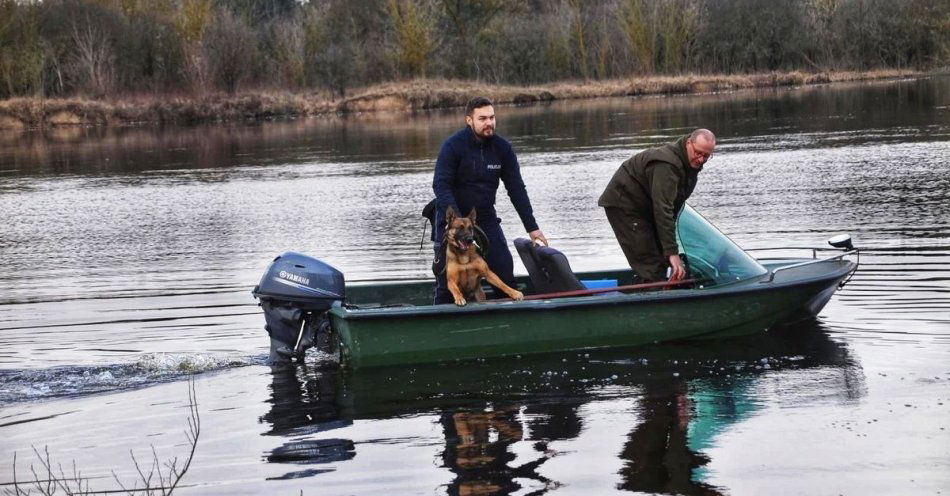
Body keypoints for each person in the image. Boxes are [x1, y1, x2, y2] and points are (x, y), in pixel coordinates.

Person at [431, 97, 547, 305]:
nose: (489, 123)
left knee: (503, 271)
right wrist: (458, 220)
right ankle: (440, 326)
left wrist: (532, 227)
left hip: (485, 219)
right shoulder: (452, 146)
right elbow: (440, 185)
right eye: (482, 118)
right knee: (446, 284)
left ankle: (506, 324)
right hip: (452, 223)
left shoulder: (502, 149)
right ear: (469, 120)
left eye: (492, 117)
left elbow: (516, 189)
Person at [598, 129, 716, 283]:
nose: (701, 159)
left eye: (706, 156)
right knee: (651, 266)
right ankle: (649, 295)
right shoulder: (668, 165)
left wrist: (669, 251)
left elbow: (673, 210)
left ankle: (659, 288)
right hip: (625, 205)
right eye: (698, 152)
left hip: (647, 208)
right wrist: (672, 252)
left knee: (664, 260)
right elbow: (663, 209)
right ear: (689, 143)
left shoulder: (688, 166)